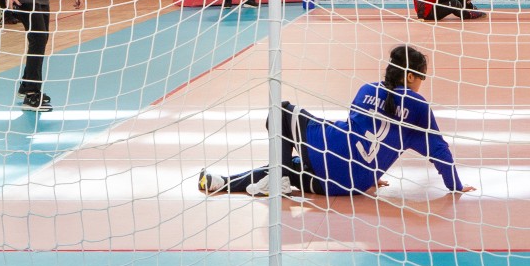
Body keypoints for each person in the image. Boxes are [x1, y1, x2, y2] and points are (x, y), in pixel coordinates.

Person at [198, 45, 475, 198]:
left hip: (331, 159)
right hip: (348, 185)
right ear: (412, 77)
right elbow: (439, 150)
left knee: (280, 110)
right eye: (423, 77)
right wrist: (455, 185)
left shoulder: (367, 89)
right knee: (291, 167)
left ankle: (277, 178)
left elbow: (357, 131)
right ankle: (220, 182)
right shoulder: (418, 107)